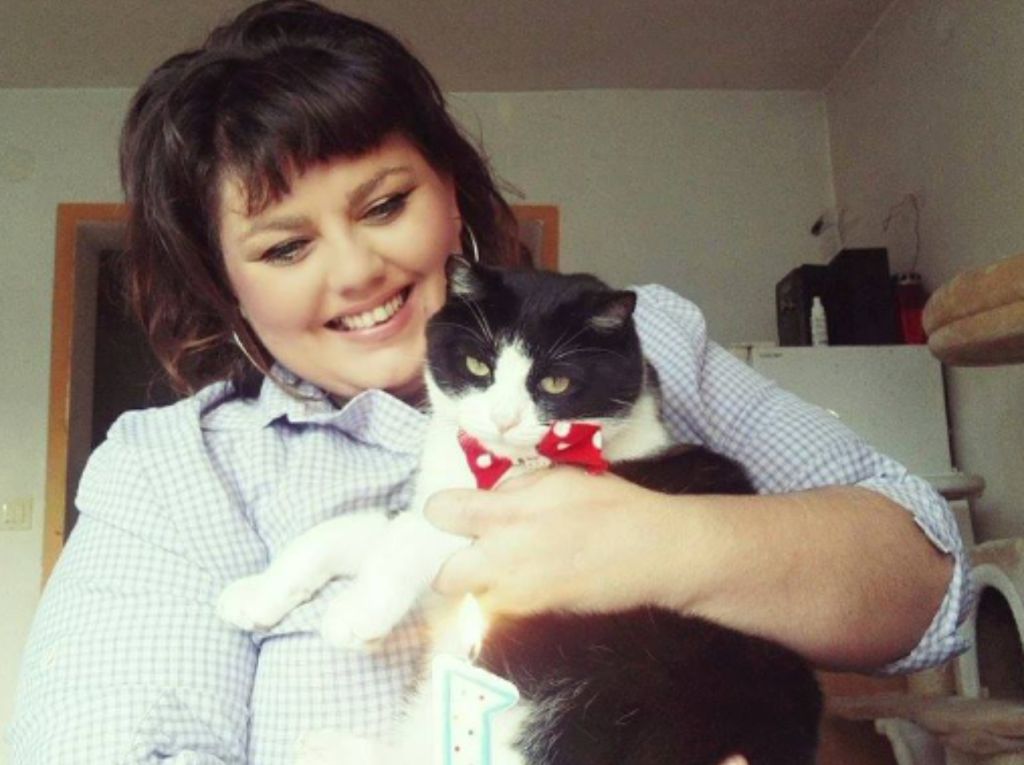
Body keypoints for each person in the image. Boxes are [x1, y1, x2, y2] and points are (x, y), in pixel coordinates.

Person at [9, 1, 971, 762]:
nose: (357, 271)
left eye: (385, 204)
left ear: (453, 193)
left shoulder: (647, 352)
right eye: (285, 246)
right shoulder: (170, 469)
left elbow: (933, 587)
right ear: (226, 284)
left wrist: (668, 542)